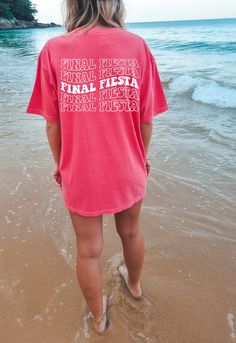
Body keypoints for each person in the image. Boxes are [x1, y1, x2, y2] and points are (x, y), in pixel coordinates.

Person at [26, 0, 168, 335]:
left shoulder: (54, 50)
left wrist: (60, 163)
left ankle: (99, 318)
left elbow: (52, 124)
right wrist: (141, 156)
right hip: (128, 167)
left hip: (83, 172)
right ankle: (133, 287)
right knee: (131, 232)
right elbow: (146, 119)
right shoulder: (137, 46)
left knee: (88, 251)